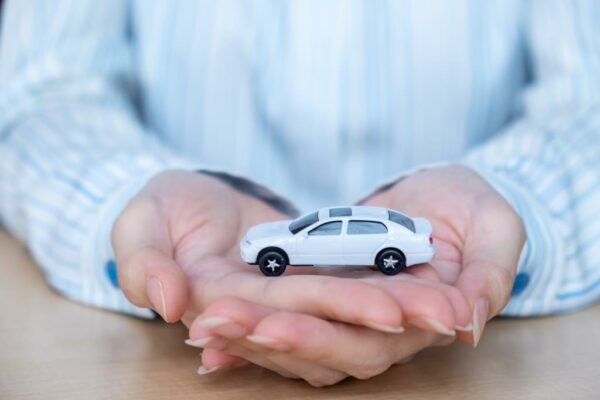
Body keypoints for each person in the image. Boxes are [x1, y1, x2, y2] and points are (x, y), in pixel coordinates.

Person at [1, 0, 599, 386]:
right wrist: (130, 202)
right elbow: (43, 92)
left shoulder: (310, 242)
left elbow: (589, 101)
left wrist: (513, 204)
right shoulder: (317, 241)